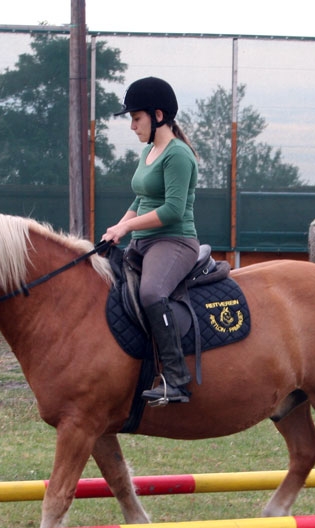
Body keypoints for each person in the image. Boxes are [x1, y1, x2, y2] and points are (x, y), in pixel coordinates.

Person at [102, 76, 200, 406]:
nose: (132, 126)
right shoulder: (149, 151)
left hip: (174, 242)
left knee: (152, 292)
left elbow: (172, 210)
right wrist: (118, 227)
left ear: (158, 115)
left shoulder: (178, 155)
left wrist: (126, 230)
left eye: (135, 118)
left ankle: (176, 380)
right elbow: (141, 200)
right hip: (143, 242)